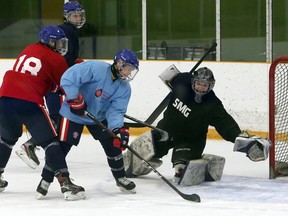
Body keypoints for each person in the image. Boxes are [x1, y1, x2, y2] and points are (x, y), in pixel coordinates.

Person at [123, 66, 271, 186]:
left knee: (181, 169)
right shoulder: (182, 81)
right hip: (165, 131)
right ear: (193, 81)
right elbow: (169, 75)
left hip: (190, 141)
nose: (201, 88)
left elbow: (226, 124)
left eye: (205, 85)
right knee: (139, 156)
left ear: (211, 86)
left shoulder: (212, 104)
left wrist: (240, 137)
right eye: (199, 83)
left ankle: (205, 165)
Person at [35, 49, 140, 198]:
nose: (129, 73)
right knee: (61, 148)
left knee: (112, 144)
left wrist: (117, 129)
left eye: (132, 70)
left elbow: (116, 111)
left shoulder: (124, 89)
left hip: (98, 116)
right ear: (119, 63)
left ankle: (120, 177)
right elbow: (68, 78)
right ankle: (45, 181)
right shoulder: (95, 68)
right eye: (128, 68)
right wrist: (73, 98)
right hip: (72, 114)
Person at [0, 25, 85, 200]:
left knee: (6, 139)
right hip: (28, 102)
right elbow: (65, 85)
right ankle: (66, 184)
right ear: (50, 41)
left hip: (5, 98)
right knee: (51, 143)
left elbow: (37, 76)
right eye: (59, 42)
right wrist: (78, 99)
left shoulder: (29, 48)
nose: (62, 45)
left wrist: (52, 86)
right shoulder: (56, 59)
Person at [15, 1, 86, 169]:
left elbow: (63, 56)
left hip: (57, 79)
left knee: (56, 118)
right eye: (75, 15)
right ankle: (31, 145)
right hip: (56, 80)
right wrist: (74, 66)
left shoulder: (69, 31)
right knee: (55, 118)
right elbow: (60, 57)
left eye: (80, 15)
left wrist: (73, 63)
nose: (78, 18)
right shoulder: (67, 31)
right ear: (67, 16)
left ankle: (34, 145)